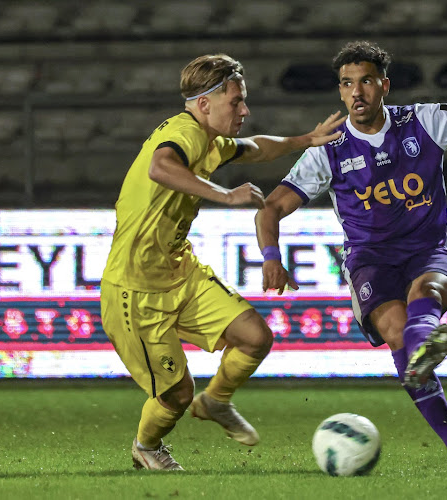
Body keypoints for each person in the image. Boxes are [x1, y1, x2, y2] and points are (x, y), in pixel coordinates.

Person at [255, 41, 447, 471]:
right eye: (347, 84)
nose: (356, 93)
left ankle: (426, 348)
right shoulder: (327, 150)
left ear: (384, 85)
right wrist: (271, 256)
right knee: (395, 330)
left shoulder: (422, 121)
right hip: (370, 261)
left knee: (428, 291)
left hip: (429, 248)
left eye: (365, 81)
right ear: (341, 92)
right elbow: (271, 208)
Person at [100, 53, 344, 471]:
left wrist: (304, 140)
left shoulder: (209, 140)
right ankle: (147, 445)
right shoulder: (184, 133)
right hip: (133, 290)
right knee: (176, 396)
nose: (245, 110)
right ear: (204, 103)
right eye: (236, 102)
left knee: (254, 337)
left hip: (180, 272)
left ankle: (215, 401)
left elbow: (255, 147)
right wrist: (225, 195)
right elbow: (161, 166)